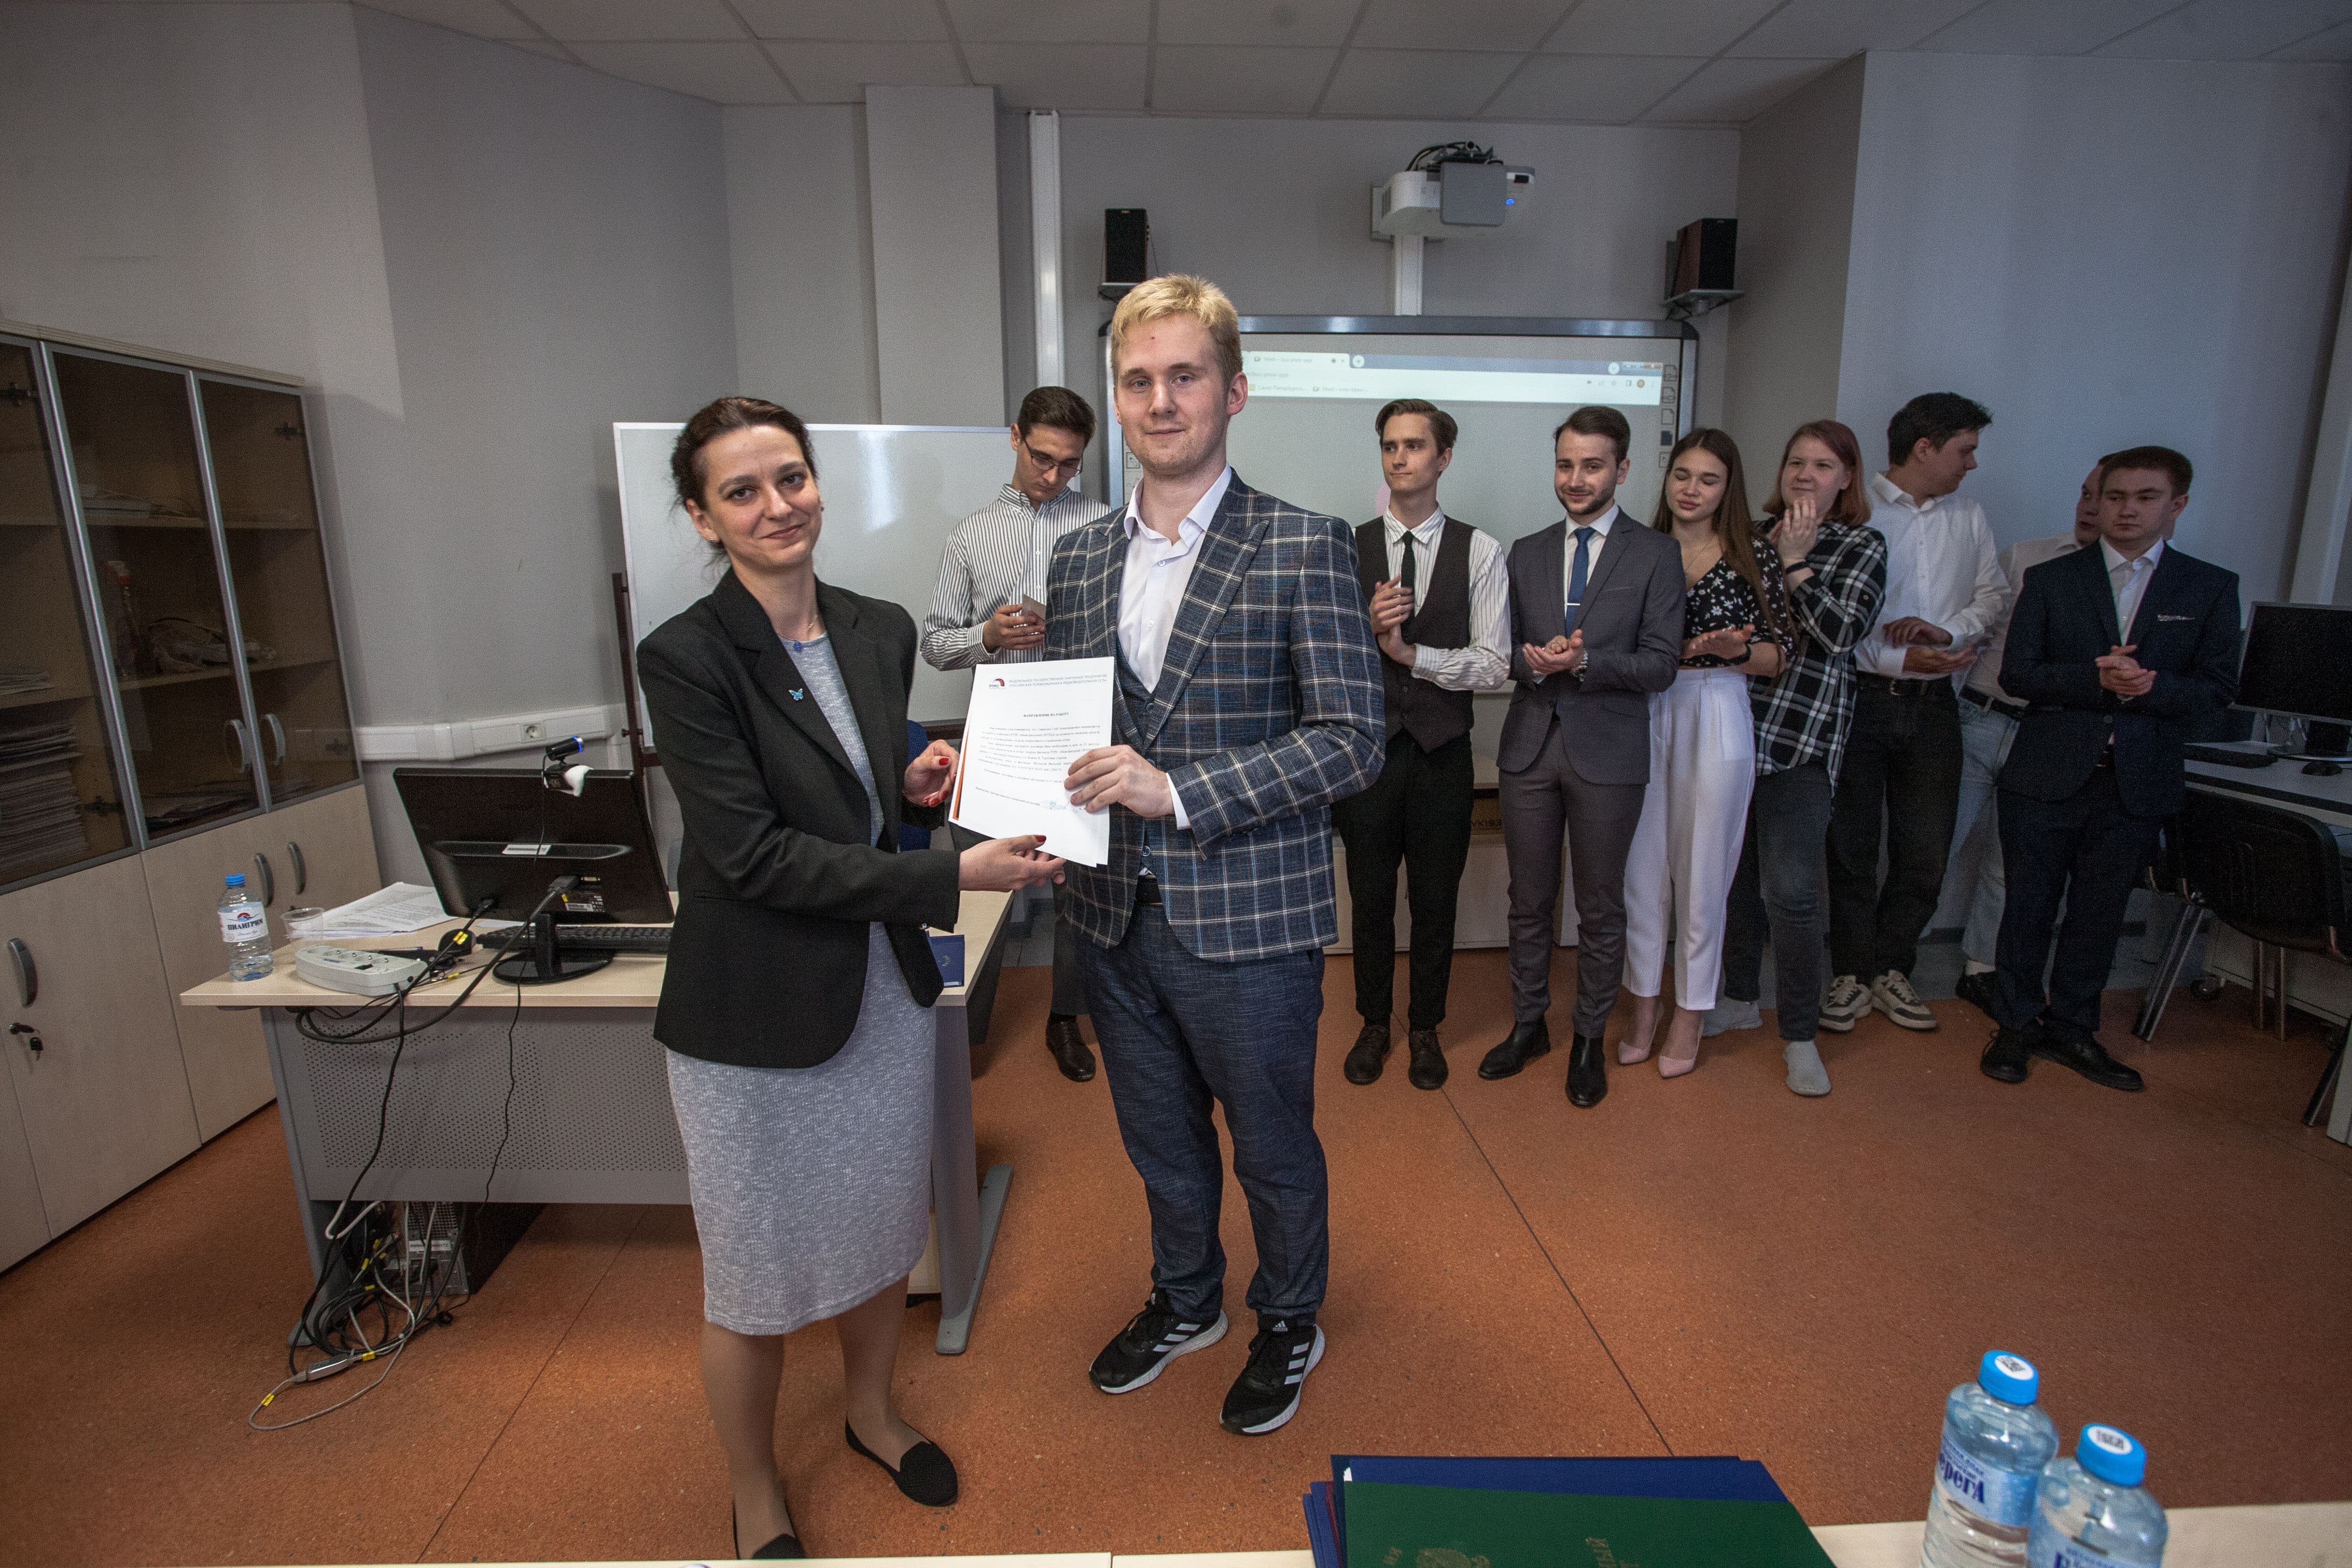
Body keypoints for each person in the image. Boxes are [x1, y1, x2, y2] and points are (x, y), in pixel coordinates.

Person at [637, 397, 1065, 1559]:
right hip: (753, 1012)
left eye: (791, 477)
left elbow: (863, 792)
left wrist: (914, 783)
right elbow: (754, 855)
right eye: (741, 490)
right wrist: (949, 869)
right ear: (702, 516)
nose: (777, 506)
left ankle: (872, 1413)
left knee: (882, 1232)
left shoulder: (876, 628)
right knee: (753, 1271)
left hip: (877, 990)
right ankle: (754, 1488)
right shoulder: (685, 656)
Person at [1044, 276, 1383, 1436]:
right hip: (1111, 913)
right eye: (1138, 380)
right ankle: (1187, 1300)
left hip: (1250, 917)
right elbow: (1070, 726)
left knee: (1272, 1144)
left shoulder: (1304, 544)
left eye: (1184, 376)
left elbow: (1351, 740)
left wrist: (1180, 790)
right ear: (1116, 397)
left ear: (1234, 390)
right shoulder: (1078, 561)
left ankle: (1289, 1313)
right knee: (1159, 1141)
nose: (1160, 401)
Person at [1982, 446, 2239, 1090]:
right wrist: (2096, 680)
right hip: (2048, 770)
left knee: (2099, 913)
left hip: (2137, 778)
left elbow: (2216, 690)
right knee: (2028, 906)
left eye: (2146, 497)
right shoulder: (2052, 578)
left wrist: (2151, 686)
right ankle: (2015, 1024)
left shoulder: (2208, 586)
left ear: (2176, 505)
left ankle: (2074, 1027)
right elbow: (2019, 674)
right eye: (2114, 496)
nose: (2126, 510)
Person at [1483, 405, 1684, 1108]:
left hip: (1610, 751)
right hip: (1530, 746)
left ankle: (1588, 1039)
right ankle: (1529, 1025)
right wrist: (1535, 662)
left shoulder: (1656, 554)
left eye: (1592, 466)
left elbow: (1662, 665)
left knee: (1599, 907)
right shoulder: (1527, 550)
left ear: (1622, 470)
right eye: (1566, 464)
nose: (1575, 478)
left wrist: (1587, 660)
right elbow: (1501, 652)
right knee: (1528, 901)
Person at [922, 386, 1117, 1083]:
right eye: (1041, 458)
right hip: (998, 738)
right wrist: (987, 634)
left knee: (1078, 895)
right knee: (975, 889)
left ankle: (1066, 1020)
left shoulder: (1108, 526)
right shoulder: (970, 535)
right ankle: (959, 1029)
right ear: (1015, 438)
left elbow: (1132, 633)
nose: (1054, 475)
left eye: (1069, 464)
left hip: (1078, 736)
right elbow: (934, 643)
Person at [1334, 398, 1509, 1091]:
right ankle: (1374, 1022)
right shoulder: (1344, 546)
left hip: (1442, 752)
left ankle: (1427, 1026)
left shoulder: (1482, 549)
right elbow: (1320, 655)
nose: (1400, 457)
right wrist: (1362, 622)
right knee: (1370, 896)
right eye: (1390, 445)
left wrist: (1414, 655)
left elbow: (1494, 665)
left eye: (1414, 445)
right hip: (1369, 751)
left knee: (1436, 899)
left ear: (1444, 458)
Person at [1822, 393, 2005, 1036]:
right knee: (1850, 846)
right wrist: (1901, 659)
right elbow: (1828, 626)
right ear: (1925, 447)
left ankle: (1891, 967)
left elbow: (1993, 595)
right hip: (1860, 700)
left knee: (1926, 849)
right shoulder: (1855, 512)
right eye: (1965, 450)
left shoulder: (1969, 515)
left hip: (1936, 707)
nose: (1971, 464)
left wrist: (1945, 634)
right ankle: (1850, 972)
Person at [1714, 420, 1889, 1097]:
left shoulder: (1861, 544)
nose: (1804, 475)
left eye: (1822, 465)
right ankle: (1737, 998)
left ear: (1847, 477)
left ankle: (1799, 1033)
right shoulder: (1747, 536)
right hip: (1731, 733)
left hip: (1802, 743)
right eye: (1795, 461)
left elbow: (1840, 633)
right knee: (1733, 883)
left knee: (1791, 891)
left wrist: (1794, 563)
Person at [1621, 429, 1787, 1079]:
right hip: (1642, 707)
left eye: (1708, 479)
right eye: (1682, 475)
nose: (1691, 489)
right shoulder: (1639, 548)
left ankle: (1691, 1013)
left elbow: (1778, 655)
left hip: (1715, 706)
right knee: (1641, 872)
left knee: (1704, 875)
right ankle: (1643, 1006)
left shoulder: (1752, 554)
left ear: (1728, 488)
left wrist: (1732, 650)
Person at [1948, 459, 2110, 1019]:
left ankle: (1982, 969)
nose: (2091, 507)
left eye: (2104, 497)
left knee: (2009, 864)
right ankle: (1885, 963)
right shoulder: (2026, 557)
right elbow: (1979, 631)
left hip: (2044, 733)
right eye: (2086, 493)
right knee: (1935, 846)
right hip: (1980, 716)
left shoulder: (2124, 587)